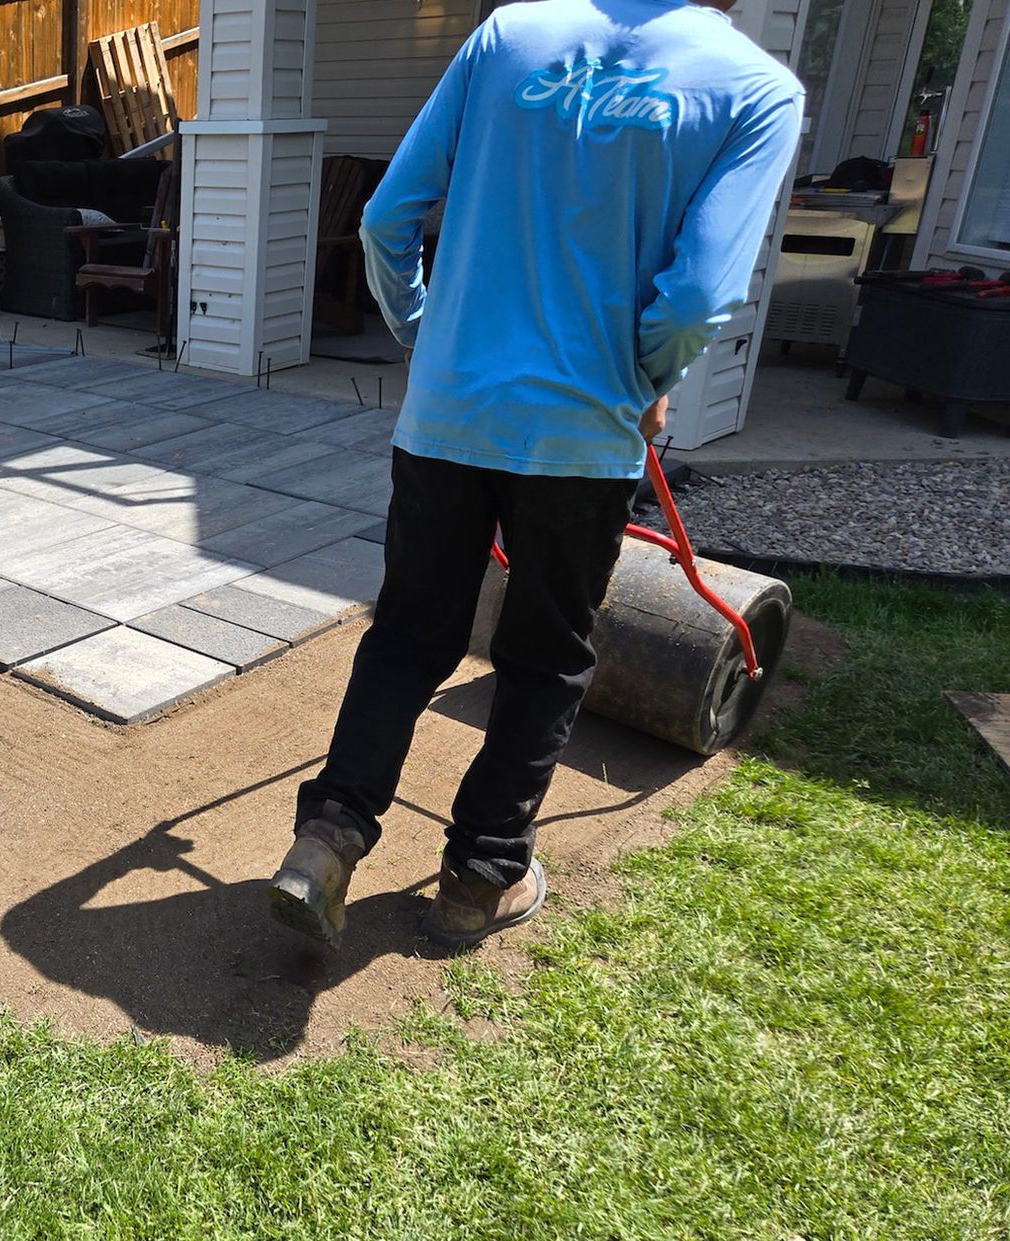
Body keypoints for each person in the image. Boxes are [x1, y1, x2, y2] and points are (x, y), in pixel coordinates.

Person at [267, 0, 802, 950]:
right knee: (546, 654)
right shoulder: (757, 91)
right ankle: (481, 875)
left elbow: (387, 216)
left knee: (409, 634)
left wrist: (426, 333)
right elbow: (696, 298)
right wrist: (644, 380)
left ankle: (329, 834)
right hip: (580, 434)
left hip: (448, 414)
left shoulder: (509, 33)